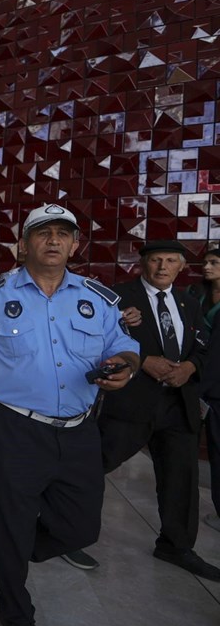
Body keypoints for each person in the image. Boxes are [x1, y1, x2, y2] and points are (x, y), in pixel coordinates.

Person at [0, 203, 139, 626]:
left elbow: (123, 345)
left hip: (79, 430)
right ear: (24, 244)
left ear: (75, 244)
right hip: (14, 425)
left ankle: (16, 552)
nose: (53, 240)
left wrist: (127, 366)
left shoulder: (98, 299)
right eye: (43, 233)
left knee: (82, 526)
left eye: (63, 233)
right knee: (12, 522)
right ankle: (16, 611)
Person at [93, 240, 220, 581]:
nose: (162, 267)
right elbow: (95, 339)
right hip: (132, 401)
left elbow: (203, 349)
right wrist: (142, 360)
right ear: (143, 264)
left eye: (170, 261)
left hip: (179, 404)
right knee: (92, 465)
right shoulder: (117, 296)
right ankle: (56, 526)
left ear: (181, 267)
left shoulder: (189, 303)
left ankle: (176, 546)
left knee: (181, 478)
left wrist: (190, 367)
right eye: (155, 260)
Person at [197, 247, 220, 532]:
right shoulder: (197, 295)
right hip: (201, 377)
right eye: (205, 262)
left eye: (214, 263)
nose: (206, 267)